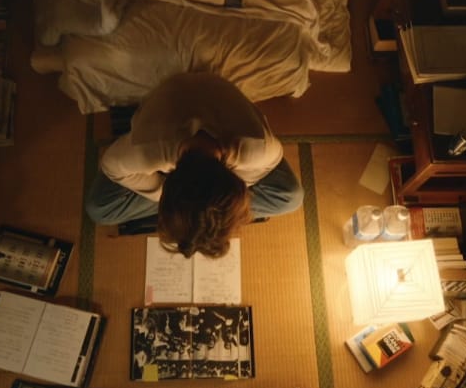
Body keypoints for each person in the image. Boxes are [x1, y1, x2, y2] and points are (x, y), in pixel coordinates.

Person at [85, 72, 303, 258]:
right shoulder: (147, 151)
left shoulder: (260, 150)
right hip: (168, 127)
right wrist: (169, 200)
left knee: (291, 198)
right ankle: (184, 209)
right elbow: (111, 164)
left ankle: (187, 209)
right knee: (99, 210)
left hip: (206, 113)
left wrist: (183, 206)